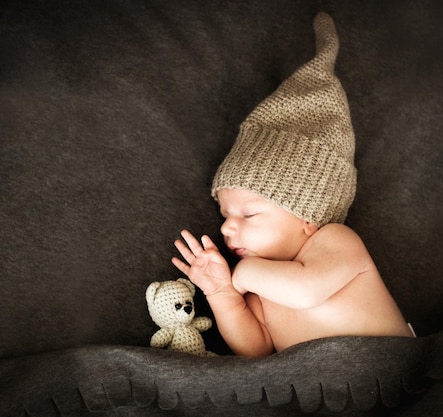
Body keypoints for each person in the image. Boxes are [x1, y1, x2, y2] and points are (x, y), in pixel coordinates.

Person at [172, 13, 415, 358]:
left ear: (308, 217)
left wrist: (240, 277)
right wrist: (222, 295)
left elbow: (305, 291)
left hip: (391, 377)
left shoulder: (335, 242)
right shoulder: (258, 288)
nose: (226, 226)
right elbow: (256, 350)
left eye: (250, 214)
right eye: (225, 215)